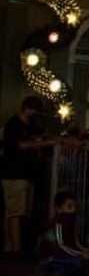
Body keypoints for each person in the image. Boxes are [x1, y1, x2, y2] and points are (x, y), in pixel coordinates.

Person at [2, 95, 54, 258]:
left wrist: (43, 140)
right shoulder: (13, 124)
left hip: (25, 174)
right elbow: (20, 145)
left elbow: (38, 137)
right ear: (28, 109)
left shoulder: (29, 124)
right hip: (14, 174)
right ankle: (15, 248)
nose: (34, 115)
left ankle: (12, 246)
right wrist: (44, 143)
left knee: (17, 212)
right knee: (15, 212)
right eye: (34, 111)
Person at [40, 191, 89, 276]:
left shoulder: (71, 221)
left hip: (64, 253)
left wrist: (86, 250)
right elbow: (60, 245)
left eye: (75, 207)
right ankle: (55, 270)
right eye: (69, 206)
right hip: (52, 257)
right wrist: (80, 254)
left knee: (87, 261)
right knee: (79, 263)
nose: (73, 210)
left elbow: (75, 242)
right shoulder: (57, 223)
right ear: (59, 209)